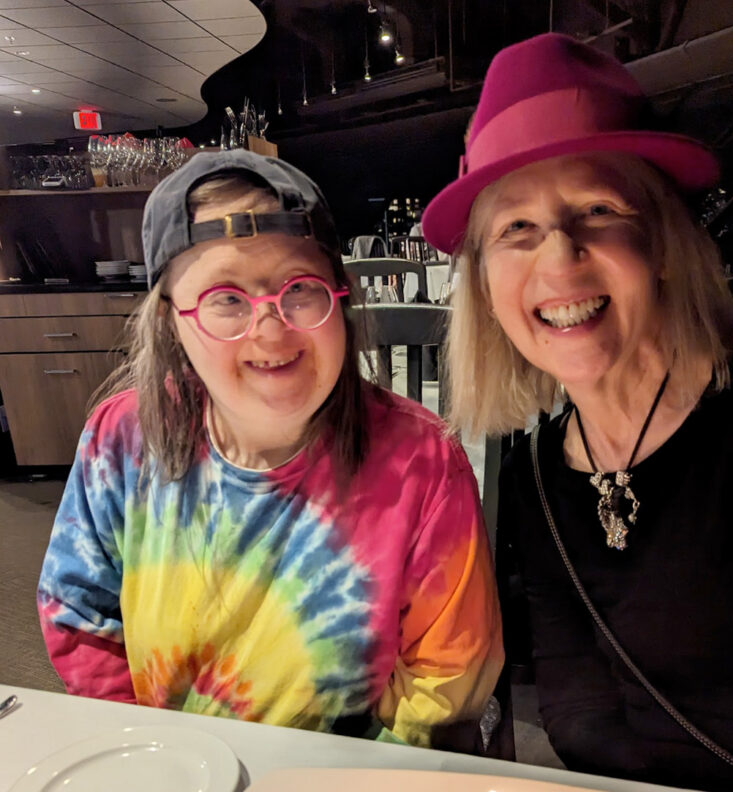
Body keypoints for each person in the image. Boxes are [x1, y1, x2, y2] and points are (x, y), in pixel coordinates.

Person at [422, 33, 733, 792]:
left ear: (664, 242)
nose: (559, 256)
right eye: (517, 230)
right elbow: (573, 700)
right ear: (487, 289)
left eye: (598, 210)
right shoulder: (536, 469)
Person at [38, 149, 503, 750]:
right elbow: (77, 610)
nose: (270, 329)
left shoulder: (423, 465)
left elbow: (444, 682)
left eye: (300, 289)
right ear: (169, 321)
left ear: (340, 295)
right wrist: (148, 752)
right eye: (226, 299)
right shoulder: (120, 440)